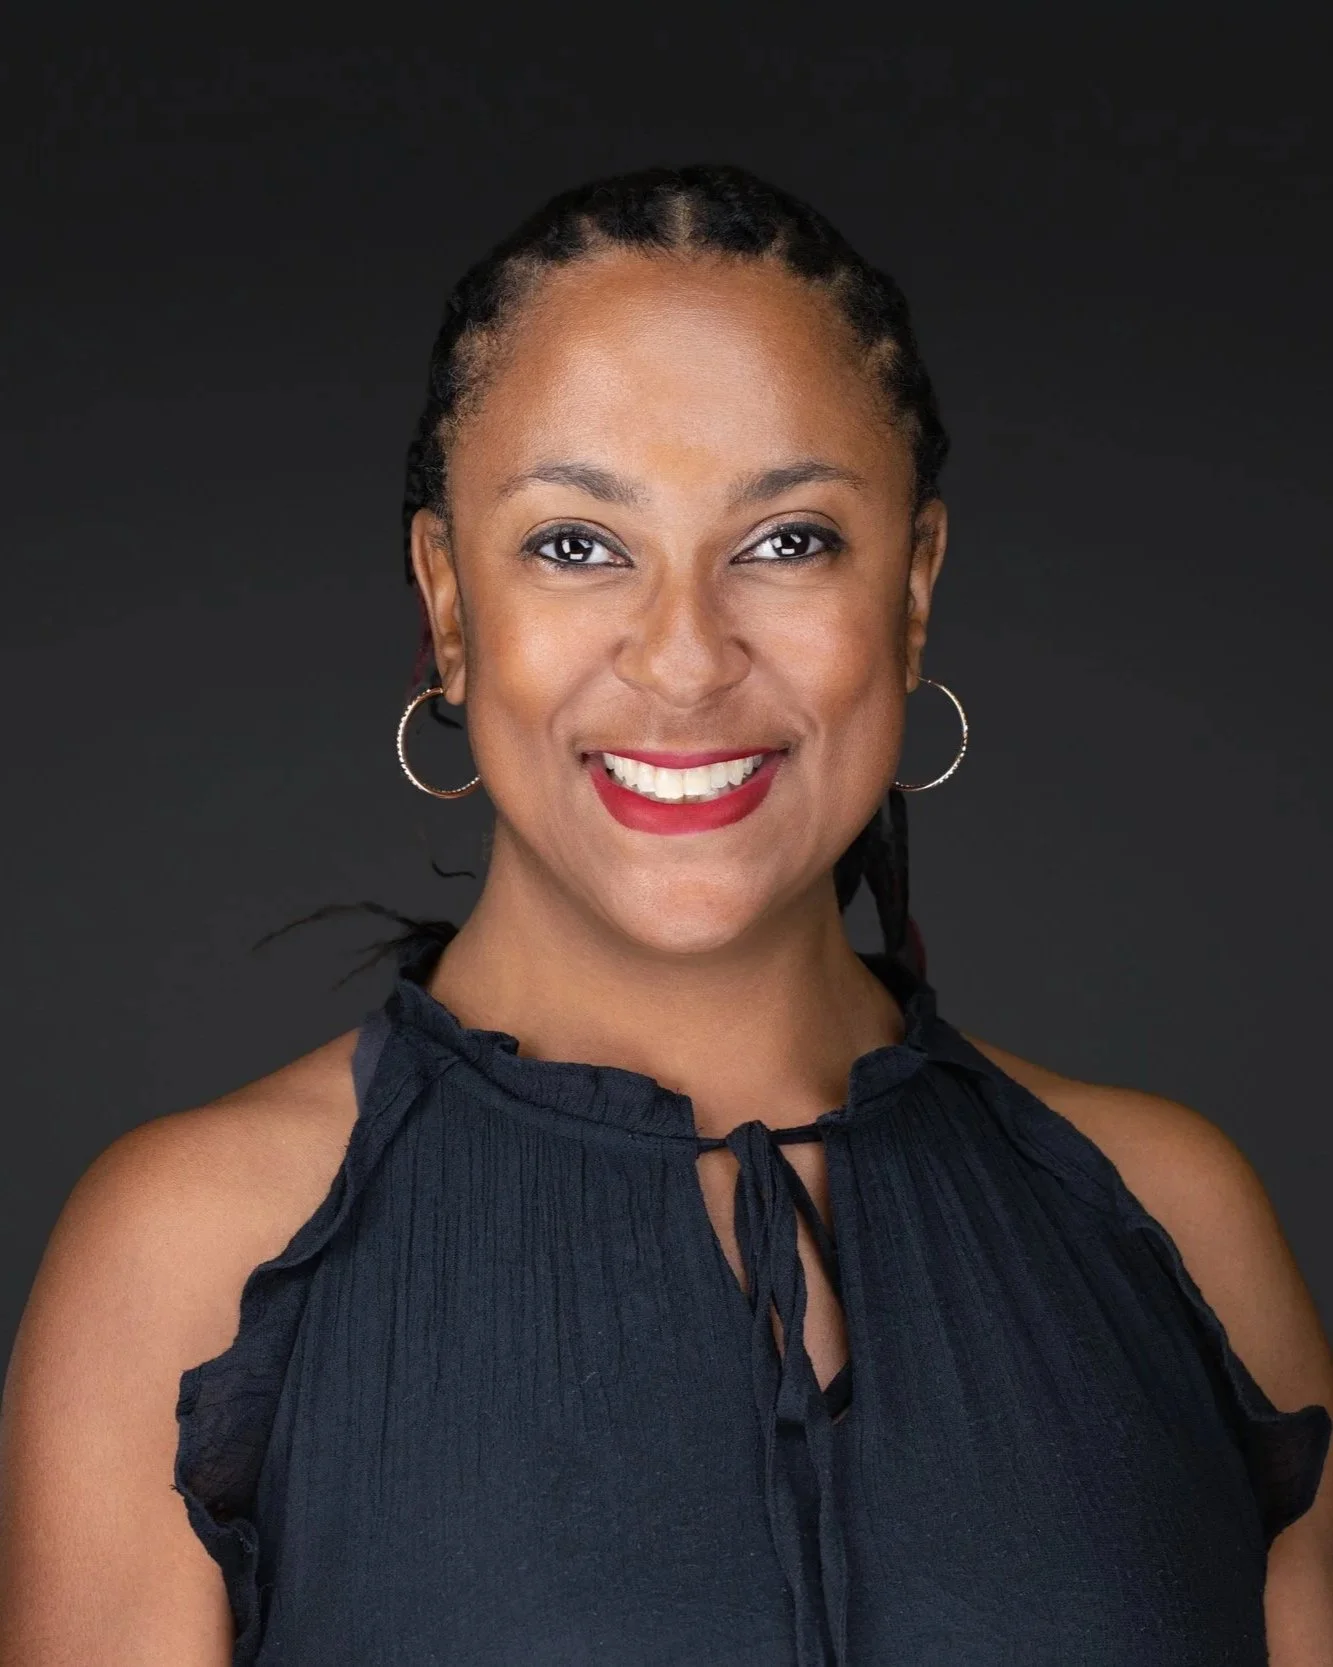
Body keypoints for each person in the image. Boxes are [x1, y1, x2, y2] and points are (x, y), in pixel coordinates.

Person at [1, 164, 1329, 1667]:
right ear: (449, 602)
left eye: (787, 541)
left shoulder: (1173, 1220)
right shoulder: (196, 1257)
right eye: (577, 543)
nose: (686, 660)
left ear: (912, 590)